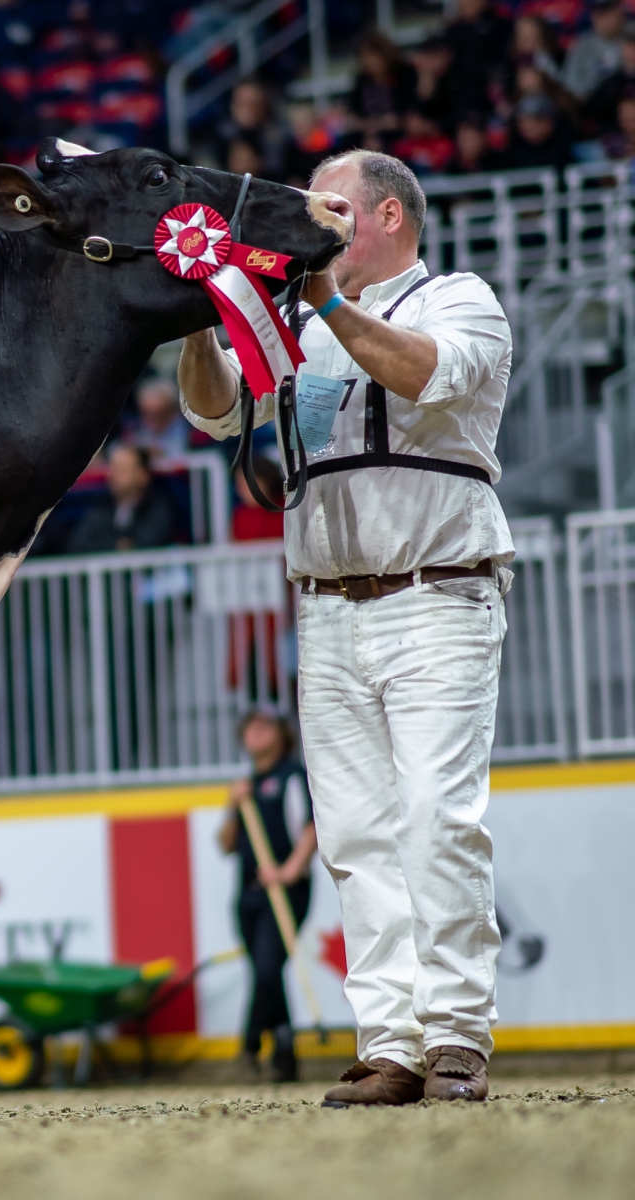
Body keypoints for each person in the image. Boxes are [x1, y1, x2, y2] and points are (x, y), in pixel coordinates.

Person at [178, 149, 512, 1106]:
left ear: (390, 215)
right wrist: (197, 316)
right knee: (356, 834)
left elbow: (424, 374)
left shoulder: (459, 300)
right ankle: (391, 1043)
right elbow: (216, 412)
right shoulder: (293, 323)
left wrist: (323, 298)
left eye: (333, 209)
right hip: (325, 608)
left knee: (437, 817)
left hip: (437, 595)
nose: (313, 225)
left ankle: (456, 1037)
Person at [216, 707, 316, 1083]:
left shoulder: (293, 777)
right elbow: (225, 844)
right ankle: (286, 1055)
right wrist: (232, 805)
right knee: (265, 974)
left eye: (264, 725)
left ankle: (249, 1046)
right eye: (249, 727)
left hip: (286, 892)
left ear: (281, 734)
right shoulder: (245, 788)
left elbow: (312, 828)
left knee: (267, 967)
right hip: (248, 895)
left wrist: (288, 871)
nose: (254, 731)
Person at [62, 443, 177, 554]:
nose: (112, 475)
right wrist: (115, 546)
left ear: (143, 476)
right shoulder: (101, 506)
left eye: (122, 470)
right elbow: (78, 543)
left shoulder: (158, 507)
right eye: (113, 469)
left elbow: (151, 542)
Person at [564, 0, 626, 102]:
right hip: (594, 102)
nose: (604, 20)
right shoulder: (583, 45)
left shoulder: (631, 35)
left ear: (619, 12)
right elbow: (571, 85)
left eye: (607, 13)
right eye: (599, 15)